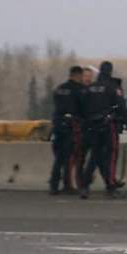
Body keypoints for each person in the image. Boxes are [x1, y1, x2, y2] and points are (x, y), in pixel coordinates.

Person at [80, 61, 127, 199]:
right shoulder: (112, 87)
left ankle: (84, 186)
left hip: (92, 127)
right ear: (110, 71)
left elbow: (82, 108)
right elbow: (122, 107)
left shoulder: (90, 88)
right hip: (108, 126)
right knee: (111, 157)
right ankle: (111, 187)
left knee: (94, 157)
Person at [47, 66, 85, 195]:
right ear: (77, 75)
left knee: (59, 158)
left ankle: (53, 185)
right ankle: (68, 185)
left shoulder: (59, 89)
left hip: (58, 125)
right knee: (69, 157)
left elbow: (57, 106)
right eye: (81, 76)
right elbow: (82, 108)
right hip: (71, 127)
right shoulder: (79, 90)